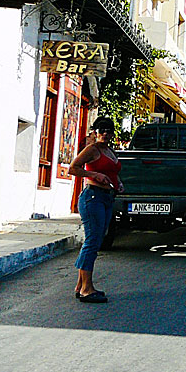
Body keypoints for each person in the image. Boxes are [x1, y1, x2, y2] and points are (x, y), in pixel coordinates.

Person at [68, 117, 123, 303]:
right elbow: (73, 168)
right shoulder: (92, 149)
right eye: (102, 130)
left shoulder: (109, 150)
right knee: (92, 240)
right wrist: (93, 174)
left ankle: (80, 285)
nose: (105, 134)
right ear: (95, 131)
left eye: (109, 130)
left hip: (107, 197)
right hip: (93, 197)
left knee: (98, 238)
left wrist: (118, 182)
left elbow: (112, 172)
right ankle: (86, 289)